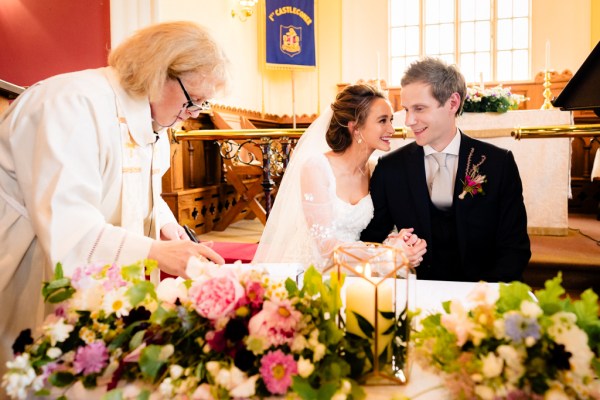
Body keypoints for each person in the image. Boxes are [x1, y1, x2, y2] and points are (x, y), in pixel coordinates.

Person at [0, 21, 228, 378]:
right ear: (158, 73)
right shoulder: (73, 105)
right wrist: (156, 253)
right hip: (25, 258)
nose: (194, 112)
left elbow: (134, 187)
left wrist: (166, 225)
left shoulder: (151, 116)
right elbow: (68, 225)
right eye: (192, 100)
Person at [361, 57, 531, 282]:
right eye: (406, 110)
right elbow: (371, 240)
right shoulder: (390, 168)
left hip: (482, 296)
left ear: (452, 103)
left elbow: (514, 247)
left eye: (419, 109)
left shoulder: (498, 164)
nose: (410, 120)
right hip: (416, 293)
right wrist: (394, 251)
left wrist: (485, 297)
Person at [253, 83, 427, 269]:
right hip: (312, 270)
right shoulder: (317, 168)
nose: (392, 130)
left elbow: (375, 229)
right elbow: (326, 248)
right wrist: (387, 255)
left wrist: (398, 241)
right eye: (382, 121)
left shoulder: (376, 169)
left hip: (355, 268)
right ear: (355, 127)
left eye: (391, 120)